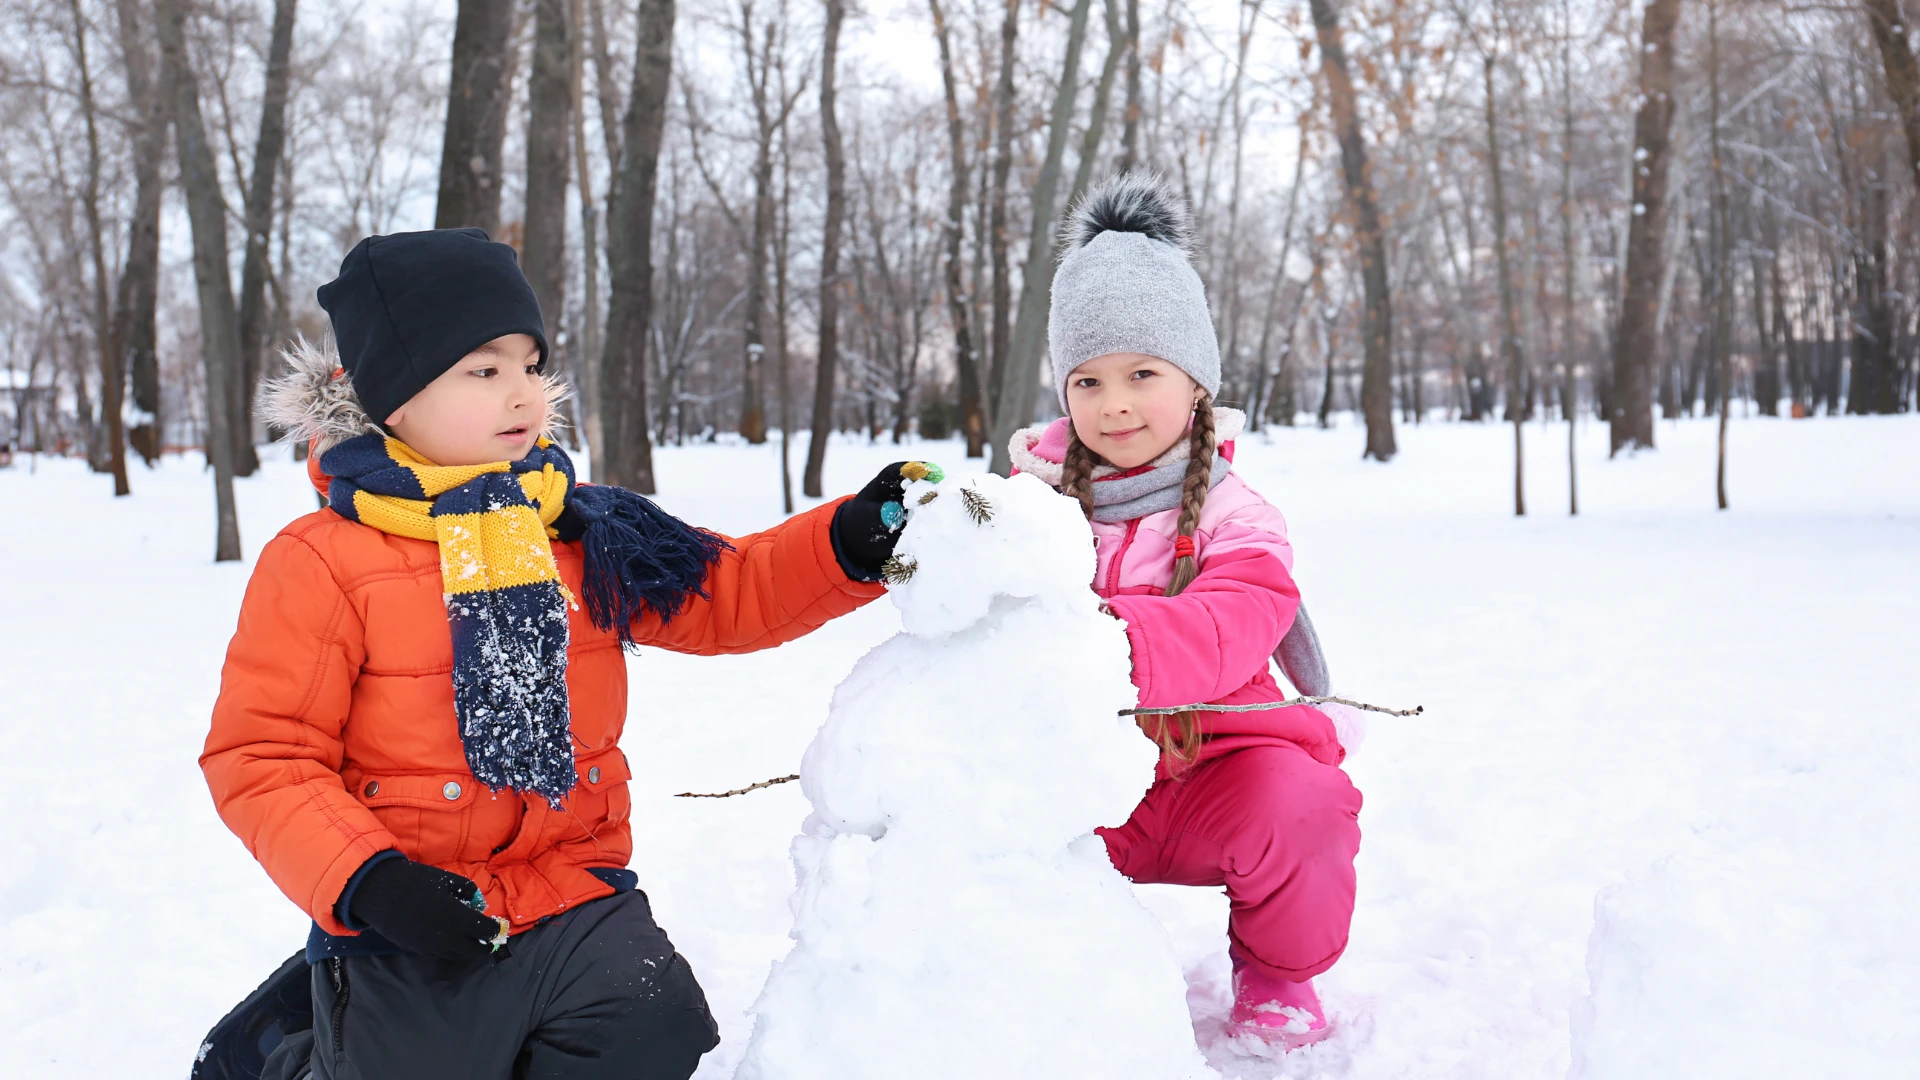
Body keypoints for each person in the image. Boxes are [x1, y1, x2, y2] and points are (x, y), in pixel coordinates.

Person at [200, 227, 930, 1079]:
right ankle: (291, 1051)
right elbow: (263, 755)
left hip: (571, 890)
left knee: (653, 1024)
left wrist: (844, 541)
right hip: (413, 915)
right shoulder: (324, 559)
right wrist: (371, 883)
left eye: (529, 364)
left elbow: (729, 593)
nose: (524, 393)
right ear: (394, 401)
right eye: (484, 369)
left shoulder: (582, 528)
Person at [1007, 174, 1365, 1050]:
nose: (1115, 403)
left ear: (1195, 381)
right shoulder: (1027, 512)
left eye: (1141, 373)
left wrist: (1105, 645)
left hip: (1221, 772)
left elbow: (1237, 617)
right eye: (1087, 381)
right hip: (1089, 784)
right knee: (979, 813)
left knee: (1305, 803)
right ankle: (1036, 972)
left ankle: (1278, 975)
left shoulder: (1241, 517)